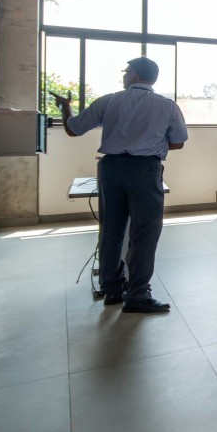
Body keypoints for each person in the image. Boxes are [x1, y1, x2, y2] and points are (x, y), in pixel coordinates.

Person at [54, 57, 187, 313]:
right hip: (145, 170)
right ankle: (138, 295)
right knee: (144, 233)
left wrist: (65, 107)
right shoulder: (167, 105)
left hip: (111, 169)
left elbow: (73, 129)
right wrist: (151, 143)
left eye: (127, 72)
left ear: (135, 75)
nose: (124, 75)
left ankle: (112, 289)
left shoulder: (110, 100)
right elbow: (179, 141)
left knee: (111, 230)